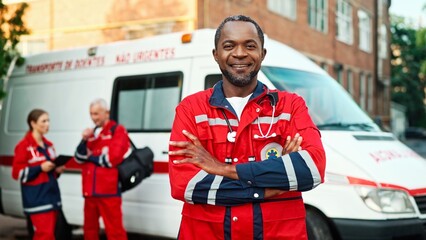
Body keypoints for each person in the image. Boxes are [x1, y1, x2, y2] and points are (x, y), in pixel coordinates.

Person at [168, 15, 326, 239]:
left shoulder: (290, 106)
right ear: (216, 55)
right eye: (229, 46)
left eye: (250, 46)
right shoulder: (191, 109)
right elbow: (186, 186)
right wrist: (274, 184)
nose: (240, 53)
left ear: (262, 54)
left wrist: (222, 169)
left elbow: (312, 170)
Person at [74, 98, 130, 240]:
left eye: (96, 114)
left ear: (107, 113)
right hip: (90, 191)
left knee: (115, 232)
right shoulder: (91, 134)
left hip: (108, 192)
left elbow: (111, 159)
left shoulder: (118, 130)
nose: (93, 118)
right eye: (91, 114)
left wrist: (90, 157)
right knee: (89, 230)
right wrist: (84, 139)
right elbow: (78, 158)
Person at [12, 109, 65, 240]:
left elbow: (49, 172)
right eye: (43, 121)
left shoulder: (49, 145)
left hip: (52, 197)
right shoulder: (23, 146)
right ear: (33, 123)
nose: (47, 124)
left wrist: (57, 170)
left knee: (51, 235)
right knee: (44, 236)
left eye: (48, 120)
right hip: (37, 200)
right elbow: (17, 174)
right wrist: (39, 168)